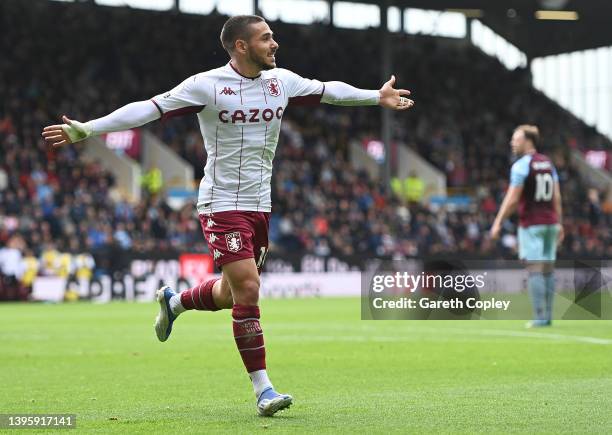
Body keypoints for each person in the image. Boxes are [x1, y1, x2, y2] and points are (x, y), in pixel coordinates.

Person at [42, 14, 414, 416]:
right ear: (241, 45)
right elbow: (148, 109)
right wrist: (90, 129)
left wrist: (376, 96)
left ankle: (176, 302)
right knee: (250, 290)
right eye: (266, 38)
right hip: (221, 205)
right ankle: (264, 389)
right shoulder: (206, 85)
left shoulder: (281, 81)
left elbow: (329, 92)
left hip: (260, 207)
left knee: (231, 292)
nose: (274, 44)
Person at [490, 125, 563, 328]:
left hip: (532, 224)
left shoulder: (521, 165)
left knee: (535, 269)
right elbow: (556, 195)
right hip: (551, 223)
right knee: (548, 269)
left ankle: (540, 317)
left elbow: (512, 199)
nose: (512, 142)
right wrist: (560, 222)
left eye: (516, 139)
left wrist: (498, 222)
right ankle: (547, 315)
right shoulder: (548, 163)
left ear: (528, 141)